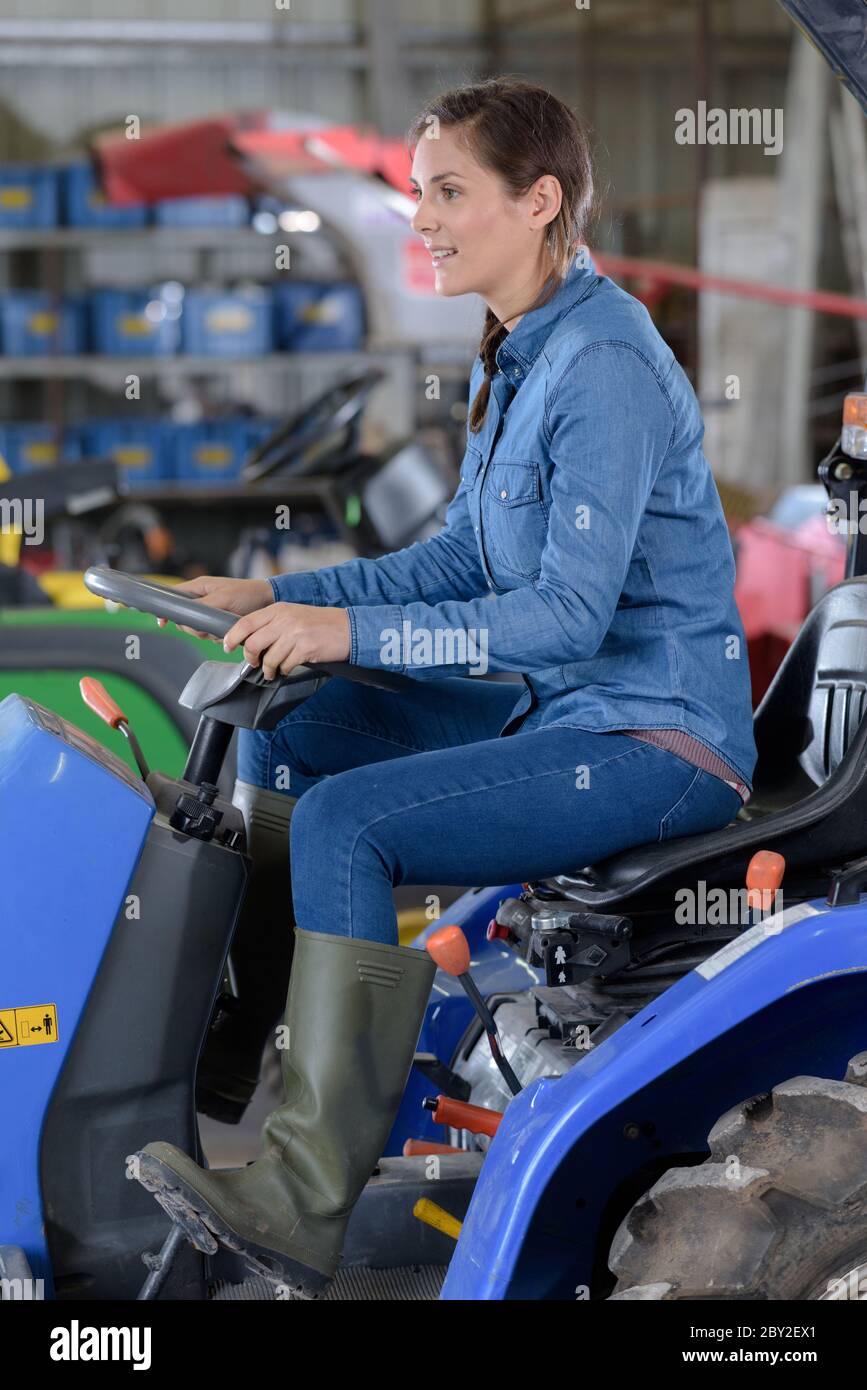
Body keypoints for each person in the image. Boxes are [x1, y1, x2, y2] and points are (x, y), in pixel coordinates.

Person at [133, 77, 758, 1296]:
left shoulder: (606, 366)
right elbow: (465, 559)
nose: (420, 217)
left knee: (347, 821)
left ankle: (302, 1196)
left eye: (448, 192)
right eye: (418, 192)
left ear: (541, 200)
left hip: (650, 734)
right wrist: (281, 599)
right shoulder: (520, 353)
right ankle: (229, 1062)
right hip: (564, 706)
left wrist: (348, 634)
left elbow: (565, 620)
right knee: (282, 721)